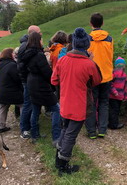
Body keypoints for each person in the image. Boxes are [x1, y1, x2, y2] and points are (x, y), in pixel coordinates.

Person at [51, 27, 102, 175]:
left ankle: (58, 159)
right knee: (70, 135)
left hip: (65, 102)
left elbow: (54, 80)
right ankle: (62, 165)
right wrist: (91, 61)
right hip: (79, 105)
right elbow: (96, 81)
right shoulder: (89, 64)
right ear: (86, 45)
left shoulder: (63, 60)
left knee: (65, 130)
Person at [20, 32, 61, 145]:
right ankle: (56, 137)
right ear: (37, 41)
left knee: (36, 109)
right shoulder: (38, 55)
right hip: (40, 85)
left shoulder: (27, 54)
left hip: (31, 82)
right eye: (41, 39)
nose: (43, 41)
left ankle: (35, 135)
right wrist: (54, 84)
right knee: (56, 109)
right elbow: (47, 72)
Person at [85, 13, 114, 139]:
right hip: (106, 75)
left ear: (91, 23)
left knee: (91, 103)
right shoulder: (109, 38)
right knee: (104, 103)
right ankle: (102, 129)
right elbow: (111, 55)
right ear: (102, 23)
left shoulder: (87, 39)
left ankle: (91, 131)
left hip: (91, 76)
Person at [17, 25, 42, 139]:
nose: (41, 34)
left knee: (32, 103)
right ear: (33, 34)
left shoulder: (27, 45)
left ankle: (31, 128)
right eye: (39, 32)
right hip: (28, 79)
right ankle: (25, 129)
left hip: (29, 79)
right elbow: (22, 65)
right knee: (28, 104)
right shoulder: (25, 46)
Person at [0, 48, 23, 133]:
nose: (14, 54)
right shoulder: (12, 65)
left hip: (0, 90)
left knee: (2, 107)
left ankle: (1, 126)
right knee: (22, 105)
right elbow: (17, 78)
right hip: (11, 91)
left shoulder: (0, 64)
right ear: (9, 54)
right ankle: (23, 124)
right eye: (13, 53)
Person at [108, 57, 127, 129]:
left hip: (119, 96)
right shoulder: (114, 73)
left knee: (115, 110)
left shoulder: (124, 75)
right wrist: (114, 92)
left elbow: (125, 86)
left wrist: (125, 96)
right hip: (113, 96)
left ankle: (113, 123)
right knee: (114, 110)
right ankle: (113, 125)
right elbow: (110, 83)